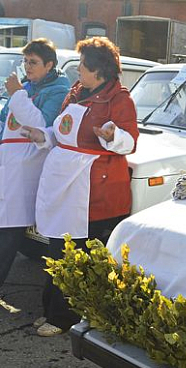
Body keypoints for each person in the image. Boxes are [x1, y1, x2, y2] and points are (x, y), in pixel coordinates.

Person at [21, 37, 139, 337]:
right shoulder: (77, 92)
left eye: (83, 68)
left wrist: (113, 136)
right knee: (58, 251)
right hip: (65, 187)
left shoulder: (120, 100)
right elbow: (61, 131)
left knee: (73, 257)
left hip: (92, 195)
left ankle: (63, 319)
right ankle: (51, 310)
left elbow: (130, 142)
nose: (78, 74)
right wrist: (43, 136)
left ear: (99, 71)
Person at [0, 39, 70, 289]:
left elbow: (43, 126)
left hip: (27, 169)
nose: (27, 67)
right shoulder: (27, 86)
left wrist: (17, 94)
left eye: (33, 62)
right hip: (7, 166)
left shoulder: (59, 90)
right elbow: (3, 120)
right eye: (25, 61)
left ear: (49, 65)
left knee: (8, 233)